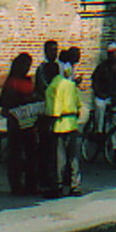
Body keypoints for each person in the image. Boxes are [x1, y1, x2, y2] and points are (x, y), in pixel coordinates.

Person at [0, 53, 39, 196]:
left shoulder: (28, 80)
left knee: (31, 154)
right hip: (16, 122)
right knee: (16, 155)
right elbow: (4, 102)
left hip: (28, 122)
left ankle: (31, 184)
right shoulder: (13, 82)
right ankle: (16, 186)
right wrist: (24, 100)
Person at [44, 53, 83, 197]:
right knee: (73, 157)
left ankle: (58, 186)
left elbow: (52, 110)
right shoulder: (70, 84)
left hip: (59, 125)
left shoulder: (52, 87)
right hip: (72, 123)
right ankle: (75, 186)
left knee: (59, 158)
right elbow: (79, 104)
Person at [91, 43, 116, 151]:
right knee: (99, 106)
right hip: (103, 95)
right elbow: (95, 81)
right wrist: (99, 93)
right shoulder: (102, 67)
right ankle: (98, 131)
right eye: (112, 53)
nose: (115, 55)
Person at [33, 40, 60, 194]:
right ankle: (43, 176)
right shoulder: (42, 69)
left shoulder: (57, 67)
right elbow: (44, 88)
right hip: (45, 111)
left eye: (56, 50)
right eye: (51, 50)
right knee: (45, 146)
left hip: (56, 110)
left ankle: (52, 176)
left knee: (54, 147)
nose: (54, 53)